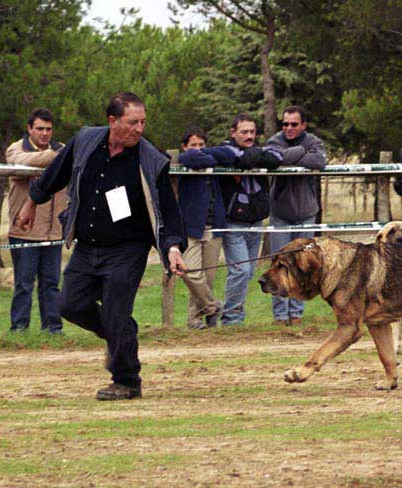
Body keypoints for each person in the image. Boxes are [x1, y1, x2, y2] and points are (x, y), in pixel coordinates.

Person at [18, 92, 187, 400]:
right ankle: (117, 332)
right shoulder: (86, 141)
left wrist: (173, 247)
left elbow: (168, 211)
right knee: (69, 305)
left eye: (143, 122)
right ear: (113, 121)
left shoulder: (150, 159)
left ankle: (126, 380)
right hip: (87, 245)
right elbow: (57, 172)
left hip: (127, 248)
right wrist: (32, 202)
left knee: (116, 313)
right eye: (132, 122)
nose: (139, 129)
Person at [6, 108, 66, 334]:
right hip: (24, 230)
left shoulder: (60, 149)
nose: (44, 133)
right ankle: (19, 328)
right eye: (39, 128)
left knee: (51, 284)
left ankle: (53, 328)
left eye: (48, 129)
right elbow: (19, 162)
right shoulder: (16, 148)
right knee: (24, 284)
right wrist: (55, 156)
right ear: (29, 129)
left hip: (53, 232)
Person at [218, 113, 282, 325]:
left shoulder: (258, 149)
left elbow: (275, 159)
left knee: (248, 272)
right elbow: (241, 159)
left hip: (256, 221)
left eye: (252, 132)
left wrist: (253, 155)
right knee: (240, 270)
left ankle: (236, 314)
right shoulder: (225, 149)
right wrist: (255, 155)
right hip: (234, 222)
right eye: (244, 132)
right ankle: (231, 318)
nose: (249, 136)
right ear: (233, 132)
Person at [265, 106, 326, 326]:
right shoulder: (274, 141)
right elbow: (273, 158)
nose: (288, 128)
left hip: (306, 214)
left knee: (303, 264)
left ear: (303, 125)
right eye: (285, 124)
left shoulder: (314, 141)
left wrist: (290, 157)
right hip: (280, 214)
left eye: (293, 124)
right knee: (279, 265)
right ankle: (280, 316)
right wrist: (301, 152)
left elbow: (319, 161)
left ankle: (296, 314)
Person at [177, 127, 224, 330]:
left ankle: (194, 320)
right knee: (191, 273)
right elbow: (190, 159)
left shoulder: (211, 158)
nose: (197, 150)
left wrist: (209, 156)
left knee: (208, 278)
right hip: (191, 226)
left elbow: (228, 155)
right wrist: (207, 157)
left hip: (214, 225)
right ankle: (214, 307)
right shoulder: (185, 161)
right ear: (184, 146)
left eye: (201, 145)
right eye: (193, 145)